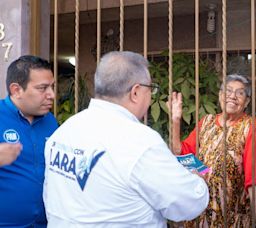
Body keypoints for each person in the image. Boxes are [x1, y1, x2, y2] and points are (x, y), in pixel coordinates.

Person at [43, 51, 209, 227]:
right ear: (135, 92)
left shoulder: (65, 131)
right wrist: (198, 181)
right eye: (150, 90)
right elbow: (188, 203)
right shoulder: (140, 143)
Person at [169, 74, 256, 227]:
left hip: (233, 218)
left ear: (246, 102)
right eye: (228, 91)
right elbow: (181, 153)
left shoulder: (251, 126)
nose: (232, 96)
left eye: (240, 93)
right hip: (200, 214)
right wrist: (175, 121)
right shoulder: (206, 121)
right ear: (220, 95)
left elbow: (253, 179)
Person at [0, 55, 58, 227]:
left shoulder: (50, 121)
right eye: (43, 88)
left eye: (52, 87)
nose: (52, 95)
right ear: (16, 90)